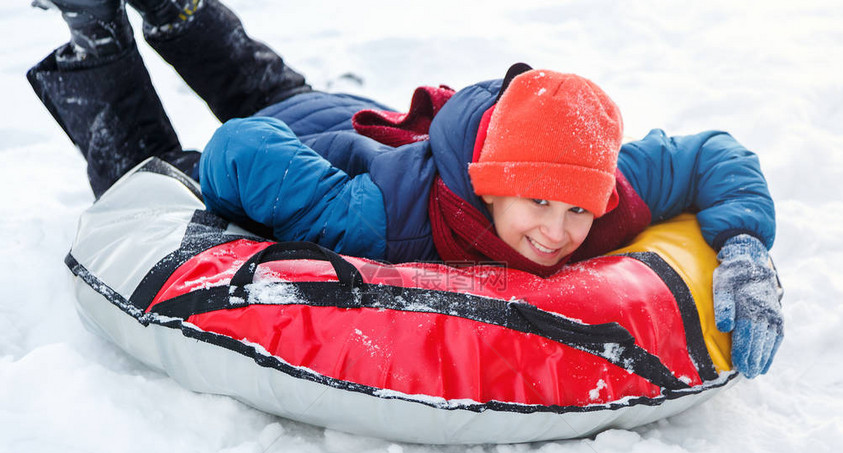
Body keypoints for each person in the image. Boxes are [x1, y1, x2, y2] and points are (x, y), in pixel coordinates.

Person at [28, 0, 783, 378]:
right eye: (538, 204)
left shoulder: (601, 195)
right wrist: (206, 184)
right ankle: (96, 29)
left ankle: (175, 8)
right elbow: (240, 146)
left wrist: (745, 246)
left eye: (577, 210)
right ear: (490, 185)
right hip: (311, 146)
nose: (557, 231)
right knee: (150, 161)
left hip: (358, 121)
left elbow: (712, 153)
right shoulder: (386, 221)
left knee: (259, 83)